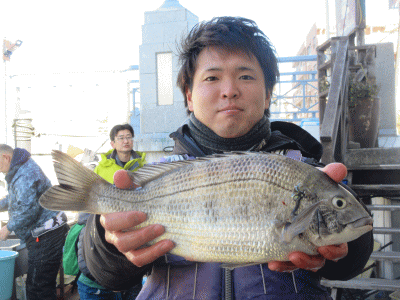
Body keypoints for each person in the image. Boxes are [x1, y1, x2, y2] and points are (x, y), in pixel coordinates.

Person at [81, 17, 373, 299]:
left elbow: (352, 260)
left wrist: (348, 247)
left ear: (268, 93)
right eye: (212, 77)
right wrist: (109, 238)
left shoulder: (306, 170)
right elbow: (103, 274)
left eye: (245, 76)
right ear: (189, 96)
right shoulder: (155, 175)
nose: (230, 91)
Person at [73, 123, 146, 300]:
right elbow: (88, 207)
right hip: (103, 234)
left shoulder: (144, 167)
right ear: (112, 143)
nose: (125, 141)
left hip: (134, 233)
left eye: (129, 137)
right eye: (120, 138)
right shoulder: (101, 168)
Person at [0, 144, 69, 300]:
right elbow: (15, 199)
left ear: (6, 157)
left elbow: (28, 210)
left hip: (47, 234)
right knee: (39, 284)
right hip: (43, 233)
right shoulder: (18, 169)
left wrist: (7, 228)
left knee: (38, 287)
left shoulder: (25, 174)